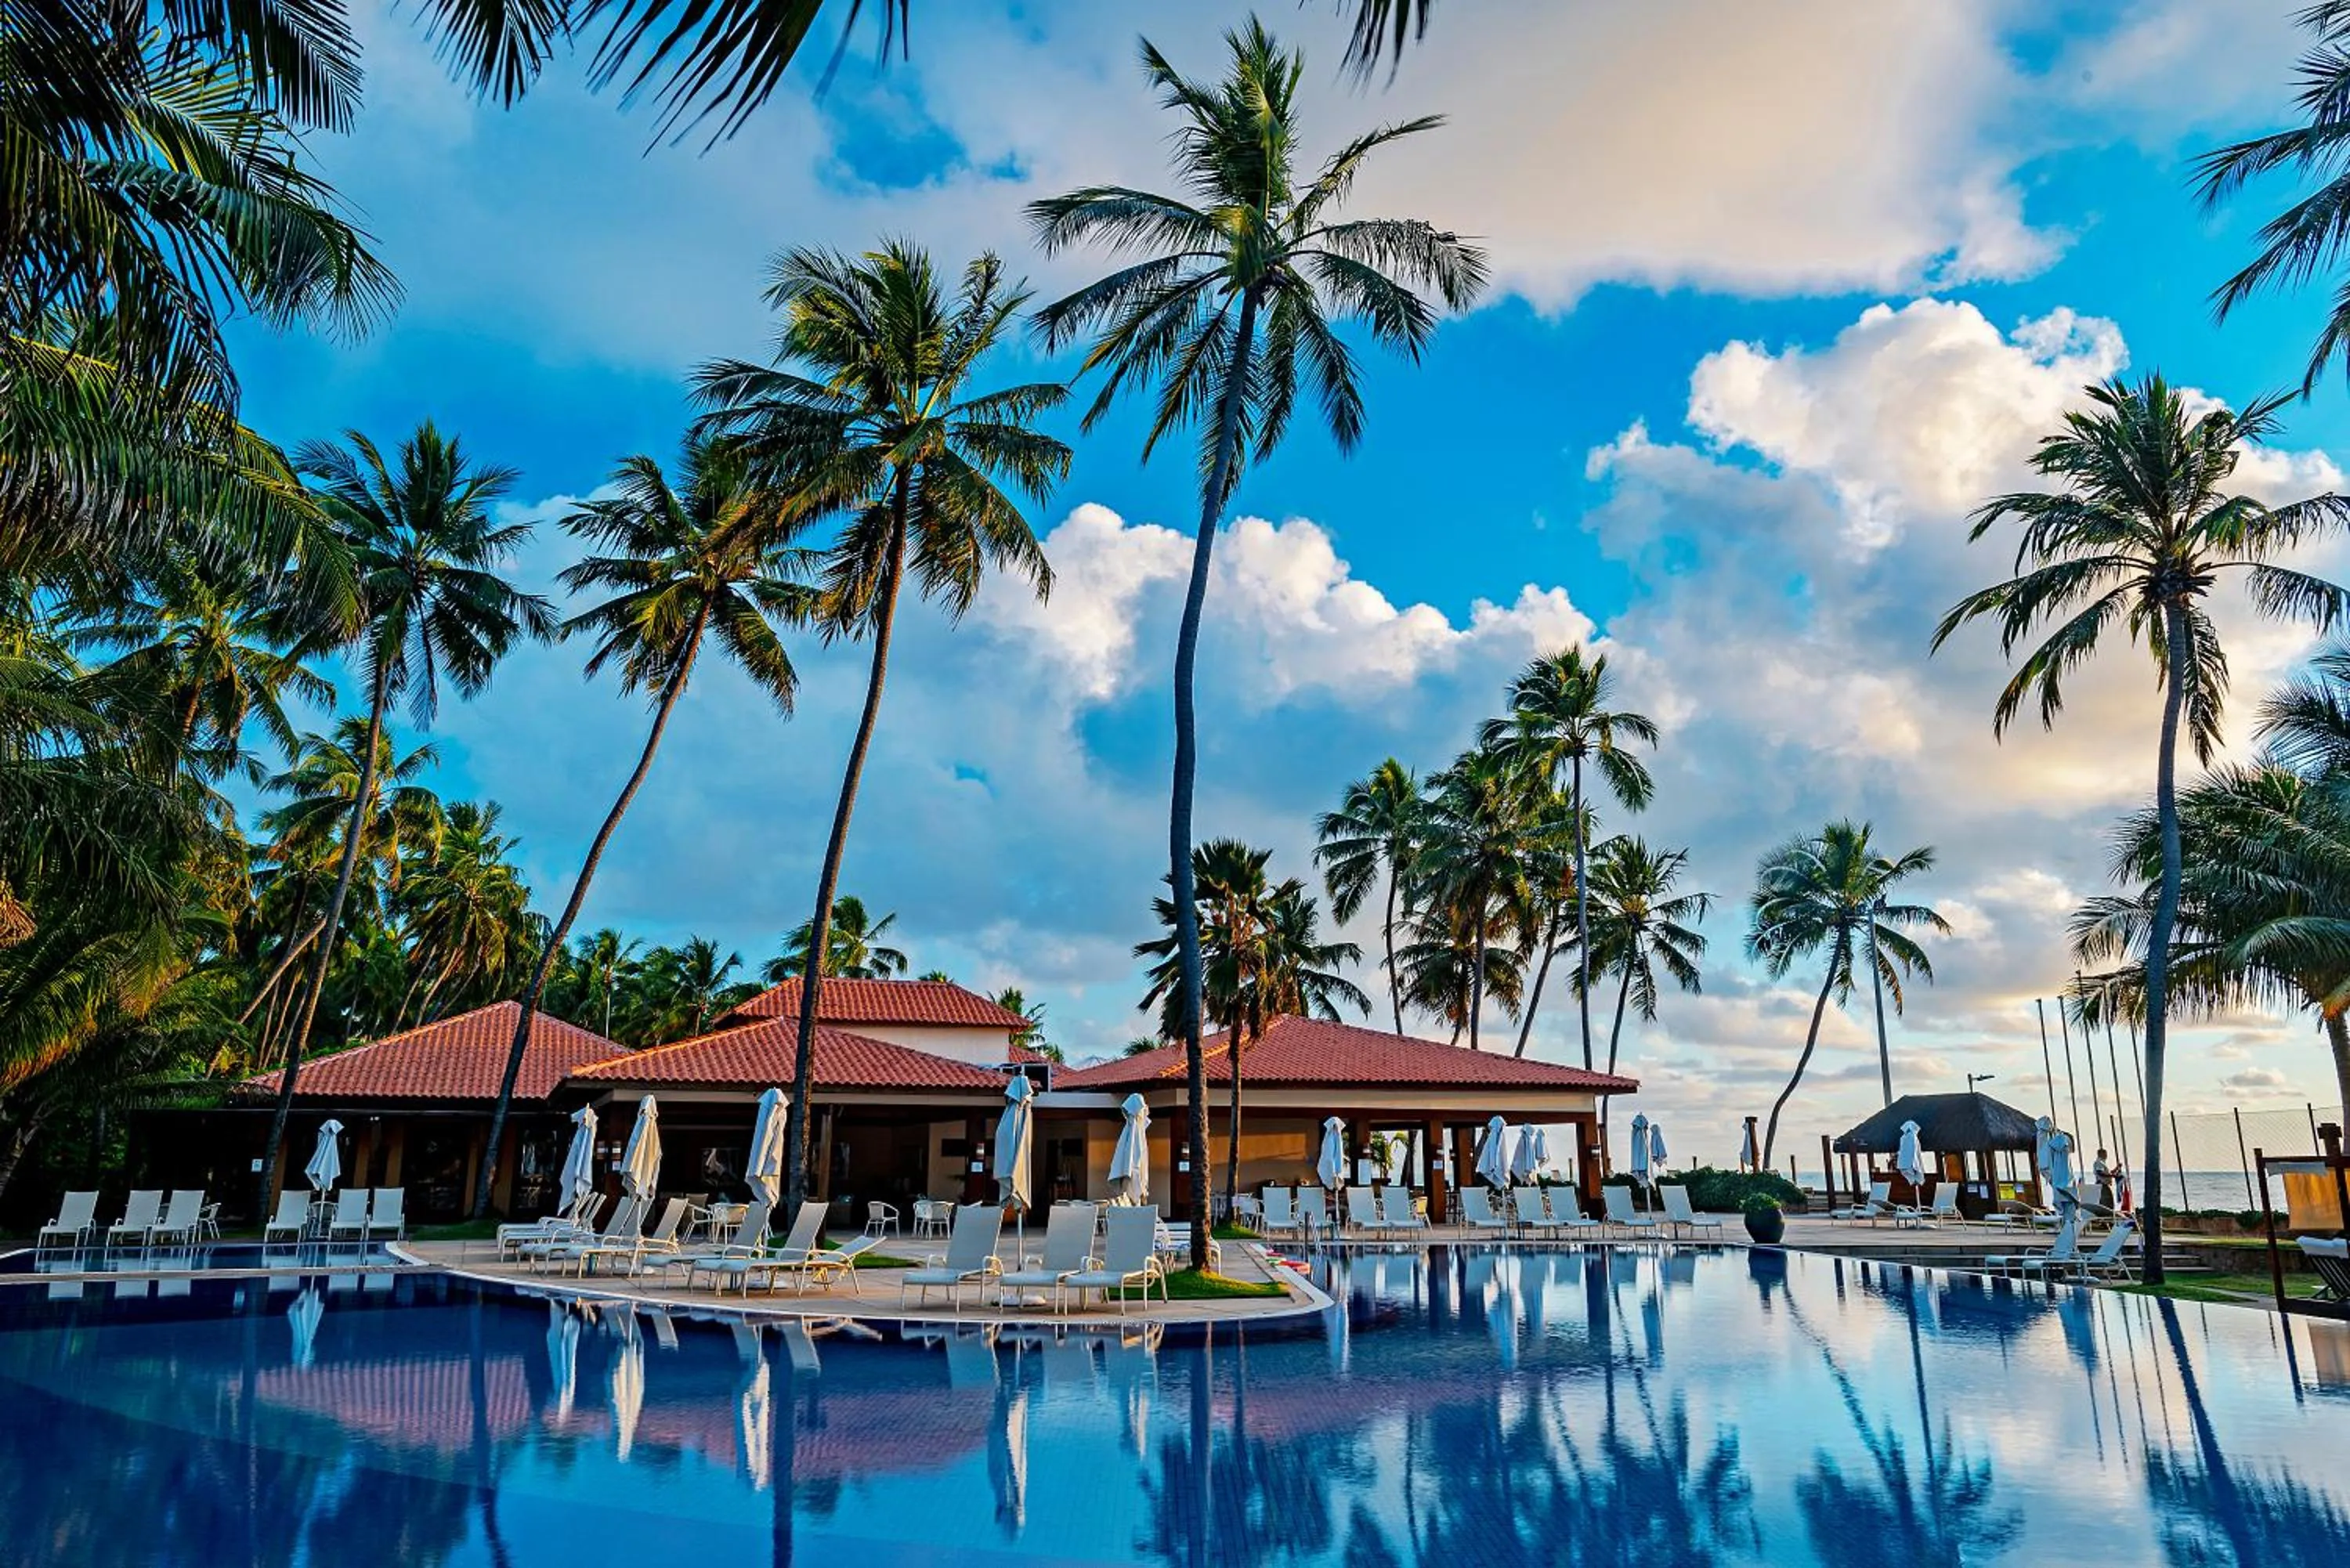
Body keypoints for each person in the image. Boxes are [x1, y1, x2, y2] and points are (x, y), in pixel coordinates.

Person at [2093, 1147, 2115, 1211]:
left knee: (2108, 1203)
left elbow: (2107, 1173)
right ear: (2101, 1154)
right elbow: (2100, 1172)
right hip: (2102, 1185)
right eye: (2105, 1154)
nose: (2106, 1156)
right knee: (2106, 1203)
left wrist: (2116, 1169)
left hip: (2104, 1185)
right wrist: (2113, 1175)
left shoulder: (2102, 1163)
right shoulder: (2099, 1162)